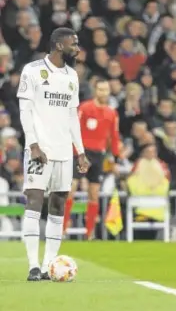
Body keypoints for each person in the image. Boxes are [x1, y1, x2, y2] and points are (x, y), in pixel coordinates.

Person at [17, 27, 90, 281]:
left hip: (63, 153)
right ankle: (33, 266)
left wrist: (80, 151)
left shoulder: (72, 76)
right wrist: (33, 144)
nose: (77, 48)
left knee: (58, 205)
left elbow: (72, 116)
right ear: (59, 45)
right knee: (35, 201)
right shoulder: (33, 70)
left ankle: (49, 264)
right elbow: (25, 111)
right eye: (74, 44)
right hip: (40, 150)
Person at [63, 79, 120, 239]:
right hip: (82, 152)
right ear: (95, 91)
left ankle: (90, 233)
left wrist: (115, 159)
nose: (104, 93)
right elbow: (74, 128)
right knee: (71, 189)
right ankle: (63, 228)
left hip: (99, 154)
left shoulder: (112, 113)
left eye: (106, 90)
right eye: (101, 89)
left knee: (94, 194)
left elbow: (114, 137)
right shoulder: (85, 108)